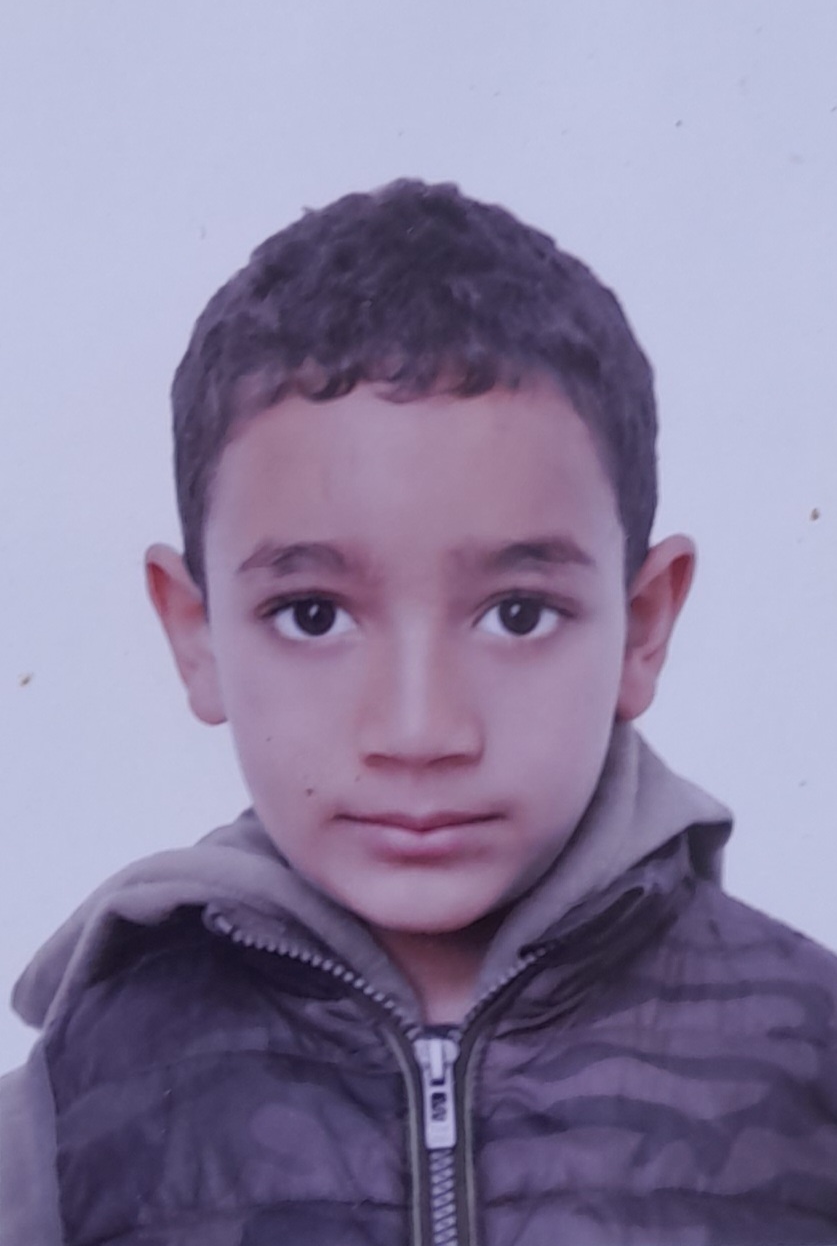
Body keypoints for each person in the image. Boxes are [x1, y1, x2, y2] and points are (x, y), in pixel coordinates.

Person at [2, 180, 837, 1246]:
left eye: (517, 614)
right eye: (312, 615)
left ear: (642, 628)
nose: (420, 731)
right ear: (194, 634)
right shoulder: (66, 1115)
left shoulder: (811, 1057)